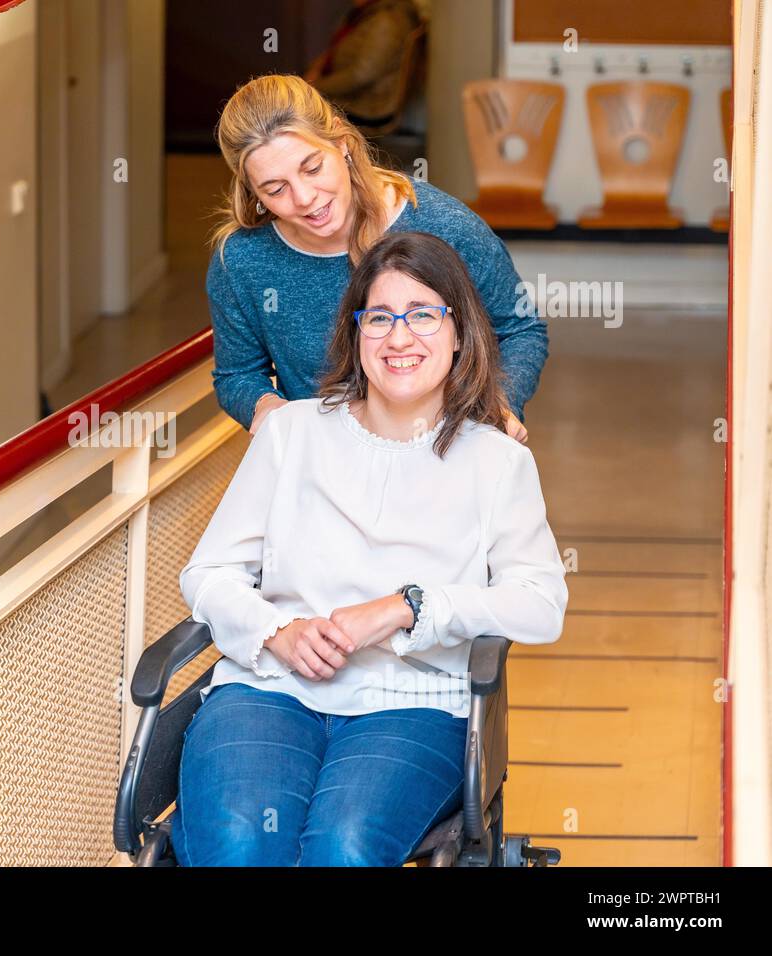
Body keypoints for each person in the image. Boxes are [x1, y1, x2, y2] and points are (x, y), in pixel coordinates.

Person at [169, 230, 568, 866]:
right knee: (242, 844)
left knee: (342, 847)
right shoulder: (291, 434)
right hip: (269, 689)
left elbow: (541, 603)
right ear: (356, 334)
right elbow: (210, 573)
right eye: (379, 317)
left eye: (423, 315)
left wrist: (408, 607)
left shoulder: (497, 462)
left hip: (414, 701)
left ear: (460, 332)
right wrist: (279, 630)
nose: (399, 337)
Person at [207, 73, 547, 443]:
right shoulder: (241, 261)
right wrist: (263, 404)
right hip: (324, 467)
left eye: (312, 168)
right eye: (276, 189)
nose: (304, 197)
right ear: (253, 192)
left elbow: (519, 328)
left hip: (442, 454)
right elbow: (237, 374)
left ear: (342, 143)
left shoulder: (442, 224)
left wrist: (500, 402)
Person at [303, 0, 424, 129]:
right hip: (358, 97)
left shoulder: (387, 21)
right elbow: (335, 51)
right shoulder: (367, 13)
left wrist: (312, 86)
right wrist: (316, 71)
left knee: (297, 110)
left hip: (368, 106)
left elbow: (360, 76)